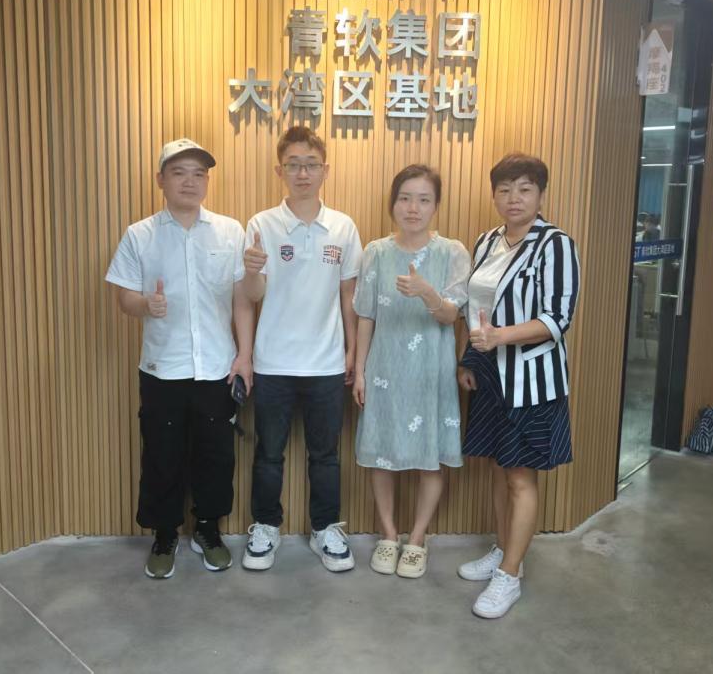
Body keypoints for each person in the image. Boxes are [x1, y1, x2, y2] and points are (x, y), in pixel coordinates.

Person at [105, 138, 254, 579]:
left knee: (216, 455)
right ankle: (165, 533)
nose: (190, 181)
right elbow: (124, 298)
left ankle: (208, 530)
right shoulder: (139, 234)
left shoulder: (230, 231)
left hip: (217, 366)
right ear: (160, 180)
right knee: (162, 454)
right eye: (179, 172)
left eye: (198, 173)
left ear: (207, 181)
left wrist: (245, 356)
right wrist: (144, 305)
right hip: (161, 368)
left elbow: (243, 300)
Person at [456, 153, 580, 619]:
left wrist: (501, 337)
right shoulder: (487, 241)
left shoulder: (556, 245)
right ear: (494, 195)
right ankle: (504, 549)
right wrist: (471, 357)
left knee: (520, 476)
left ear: (540, 195)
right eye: (505, 189)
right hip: (491, 375)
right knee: (497, 467)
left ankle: (510, 575)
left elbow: (557, 318)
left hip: (532, 379)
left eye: (525, 189)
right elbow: (476, 309)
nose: (514, 198)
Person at [240, 126, 363, 572]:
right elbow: (252, 295)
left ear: (325, 170)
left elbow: (349, 295)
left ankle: (325, 529)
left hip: (326, 362)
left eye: (311, 165)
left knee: (325, 456)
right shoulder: (261, 225)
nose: (303, 173)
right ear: (280, 171)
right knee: (268, 453)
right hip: (272, 361)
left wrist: (352, 351)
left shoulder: (343, 227)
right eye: (293, 165)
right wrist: (251, 270)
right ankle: (265, 527)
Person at [352, 165, 470, 578]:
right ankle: (388, 535)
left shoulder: (452, 252)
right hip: (384, 368)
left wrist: (427, 292)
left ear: (436, 206)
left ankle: (417, 539)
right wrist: (360, 371)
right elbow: (365, 315)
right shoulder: (376, 251)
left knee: (429, 459)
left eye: (423, 199)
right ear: (393, 203)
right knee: (381, 455)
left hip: (430, 371)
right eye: (405, 198)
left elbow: (452, 315)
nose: (413, 208)